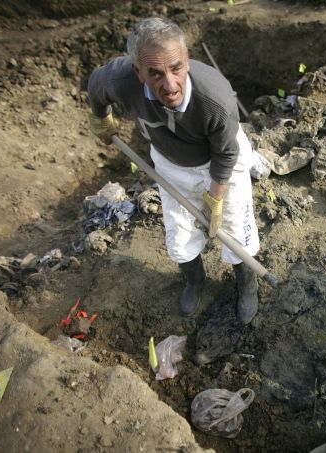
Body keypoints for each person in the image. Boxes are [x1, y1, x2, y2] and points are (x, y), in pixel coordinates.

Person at [86, 17, 260, 324]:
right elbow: (96, 86)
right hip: (170, 162)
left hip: (220, 164)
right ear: (138, 71)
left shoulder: (215, 100)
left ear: (187, 60)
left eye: (176, 68)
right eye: (155, 73)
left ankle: (247, 283)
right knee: (179, 233)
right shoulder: (120, 80)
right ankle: (195, 280)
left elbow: (226, 153)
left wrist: (215, 198)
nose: (169, 85)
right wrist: (101, 117)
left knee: (234, 228)